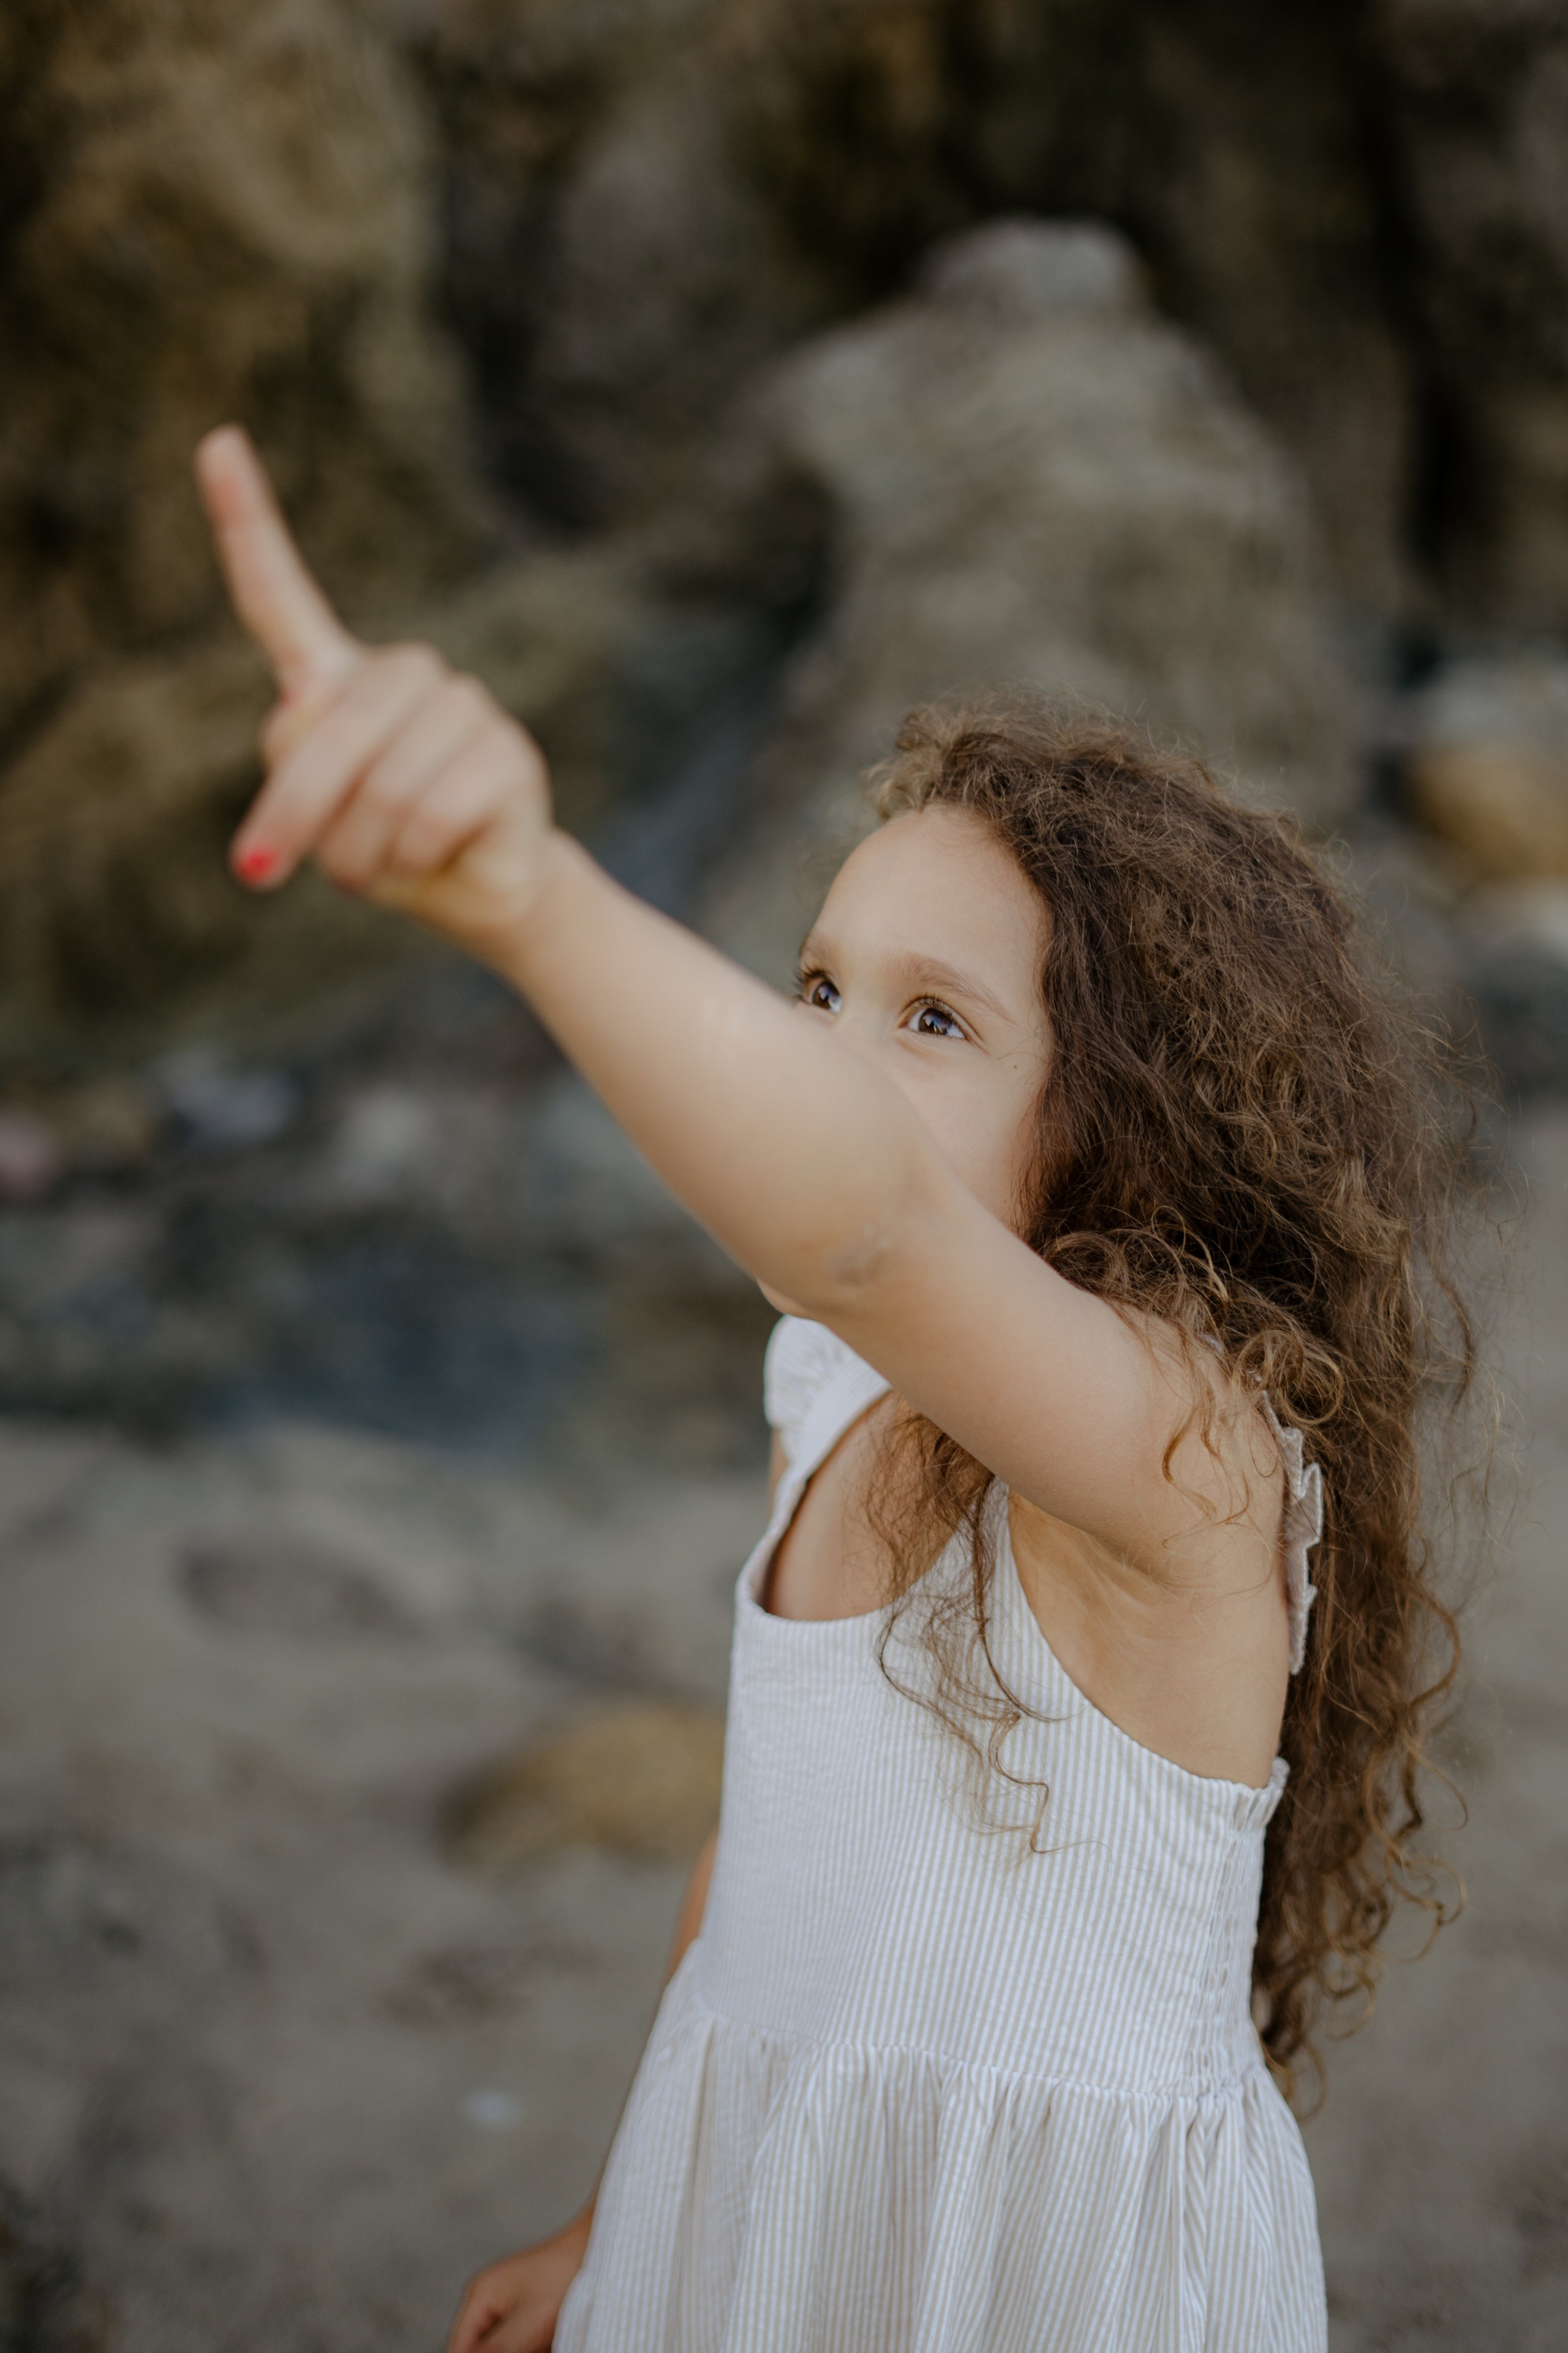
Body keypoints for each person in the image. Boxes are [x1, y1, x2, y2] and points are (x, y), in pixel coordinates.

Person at [195, 425, 1472, 2353]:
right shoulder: (830, 1380)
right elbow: (763, 1855)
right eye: (815, 990)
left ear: (1131, 1134)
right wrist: (621, 2214)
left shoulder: (1183, 1452)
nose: (838, 1055)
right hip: (764, 2221)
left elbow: (865, 1217)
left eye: (936, 1018)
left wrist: (522, 887)